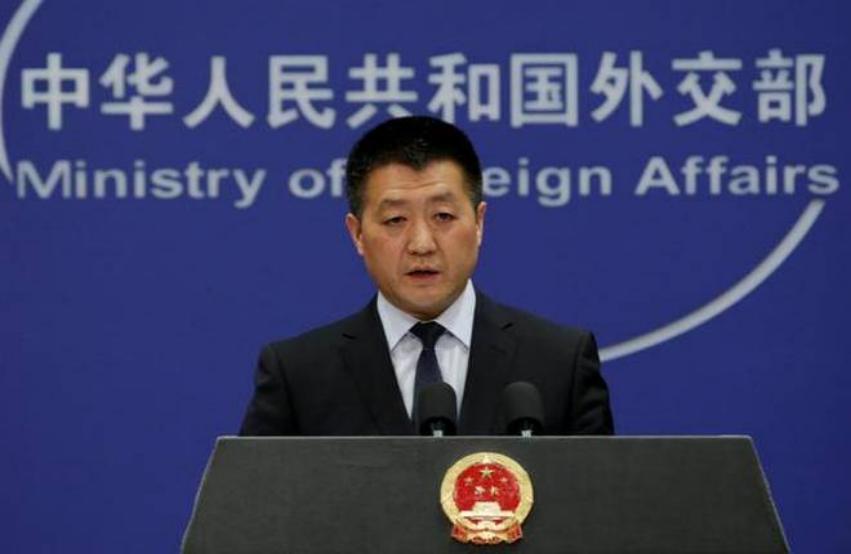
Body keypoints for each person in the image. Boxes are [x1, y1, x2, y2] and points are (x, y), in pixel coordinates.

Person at [239, 116, 613, 436]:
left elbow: (598, 496)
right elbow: (253, 499)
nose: (422, 244)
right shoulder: (299, 376)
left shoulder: (559, 362)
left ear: (479, 223)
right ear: (357, 234)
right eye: (395, 220)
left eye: (443, 217)